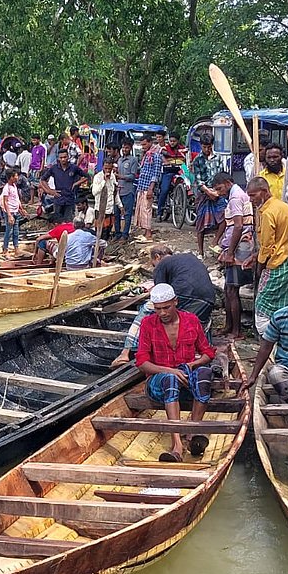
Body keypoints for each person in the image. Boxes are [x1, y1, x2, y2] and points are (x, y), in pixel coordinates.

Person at [136, 283, 217, 462]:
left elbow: (208, 352)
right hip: (158, 383)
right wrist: (170, 371)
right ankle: (177, 445)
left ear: (175, 302)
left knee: (204, 373)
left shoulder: (191, 320)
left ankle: (192, 431)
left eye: (166, 307)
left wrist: (192, 364)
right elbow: (142, 362)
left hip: (186, 380)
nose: (162, 313)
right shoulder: (148, 324)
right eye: (158, 309)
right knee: (170, 379)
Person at [112, 245, 217, 367]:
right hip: (209, 297)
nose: (154, 267)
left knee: (145, 311)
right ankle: (205, 357)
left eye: (153, 264)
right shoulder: (187, 258)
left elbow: (160, 293)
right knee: (199, 322)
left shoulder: (162, 264)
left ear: (157, 257)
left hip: (184, 292)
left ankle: (125, 352)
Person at [247, 176, 288, 335]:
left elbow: (267, 246)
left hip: (278, 264)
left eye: (253, 195)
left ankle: (269, 339)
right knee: (285, 305)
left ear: (264, 191)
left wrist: (260, 266)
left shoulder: (267, 213)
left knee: (263, 306)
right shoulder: (283, 206)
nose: (251, 200)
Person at [213, 173, 254, 338]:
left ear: (227, 183)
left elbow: (238, 226)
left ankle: (236, 330)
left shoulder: (236, 198)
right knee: (228, 288)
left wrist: (230, 253)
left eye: (220, 188)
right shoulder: (235, 196)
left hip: (238, 248)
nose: (219, 193)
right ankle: (229, 326)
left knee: (232, 289)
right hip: (237, 245)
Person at [192, 134, 226, 257]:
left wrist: (217, 191)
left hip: (218, 193)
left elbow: (221, 175)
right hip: (204, 194)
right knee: (201, 224)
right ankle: (201, 252)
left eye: (209, 147)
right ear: (201, 146)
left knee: (224, 218)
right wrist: (209, 192)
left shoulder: (219, 158)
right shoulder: (197, 160)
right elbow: (198, 181)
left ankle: (215, 242)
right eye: (204, 147)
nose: (207, 149)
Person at [38, 148, 88, 223]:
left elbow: (86, 176)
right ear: (58, 158)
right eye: (61, 157)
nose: (63, 159)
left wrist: (76, 183)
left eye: (65, 157)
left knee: (68, 222)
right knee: (57, 222)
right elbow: (42, 179)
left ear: (68, 157)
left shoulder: (74, 168)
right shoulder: (54, 168)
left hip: (70, 199)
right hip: (58, 199)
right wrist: (50, 191)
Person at [134, 133, 164, 240]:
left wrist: (151, 188)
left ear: (150, 143)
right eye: (142, 145)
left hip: (148, 187)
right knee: (141, 209)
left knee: (146, 210)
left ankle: (148, 233)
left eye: (144, 144)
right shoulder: (147, 155)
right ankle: (145, 231)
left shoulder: (156, 155)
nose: (143, 147)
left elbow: (156, 174)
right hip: (142, 186)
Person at [114, 138, 139, 240]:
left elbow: (133, 176)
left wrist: (121, 177)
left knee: (127, 214)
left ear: (131, 148)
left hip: (128, 190)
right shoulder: (119, 160)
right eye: (123, 147)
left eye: (127, 148)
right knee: (116, 214)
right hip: (118, 191)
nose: (124, 149)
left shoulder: (133, 160)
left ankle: (125, 235)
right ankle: (117, 234)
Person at [157, 132, 186, 220]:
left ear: (178, 141)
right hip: (168, 171)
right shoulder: (165, 148)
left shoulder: (183, 149)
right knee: (164, 190)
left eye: (174, 141)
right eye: (171, 141)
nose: (172, 143)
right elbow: (162, 154)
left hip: (180, 171)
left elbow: (187, 157)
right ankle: (159, 213)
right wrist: (166, 161)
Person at [91, 158, 121, 239]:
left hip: (110, 210)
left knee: (107, 232)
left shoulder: (113, 176)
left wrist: (120, 205)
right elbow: (94, 192)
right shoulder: (97, 177)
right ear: (103, 167)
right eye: (106, 168)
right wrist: (104, 181)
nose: (108, 171)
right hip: (100, 210)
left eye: (109, 169)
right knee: (100, 233)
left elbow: (114, 192)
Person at [0, 169, 25, 255]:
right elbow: (5, 202)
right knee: (9, 231)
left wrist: (21, 209)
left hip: (16, 211)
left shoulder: (14, 186)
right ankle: (5, 248)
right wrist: (9, 215)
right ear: (11, 177)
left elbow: (17, 199)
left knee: (16, 231)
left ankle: (16, 248)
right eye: (16, 176)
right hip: (10, 212)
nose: (17, 177)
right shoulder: (6, 188)